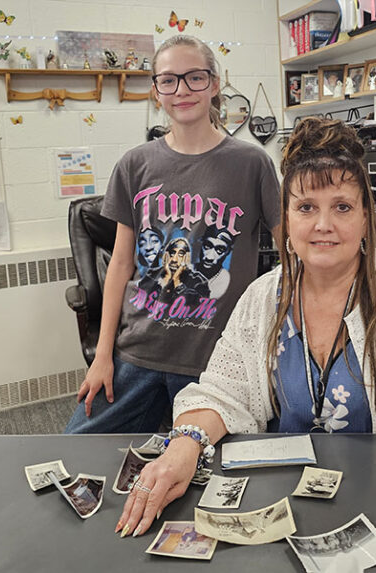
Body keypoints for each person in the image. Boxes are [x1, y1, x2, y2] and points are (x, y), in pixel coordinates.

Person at [116, 118, 376, 573]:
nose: (324, 226)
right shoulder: (262, 298)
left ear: (366, 216)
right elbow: (220, 392)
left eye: (342, 207)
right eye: (307, 208)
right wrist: (185, 445)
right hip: (288, 512)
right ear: (286, 221)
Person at [64, 35, 280, 434]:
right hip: (138, 352)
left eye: (195, 77)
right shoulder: (134, 165)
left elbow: (291, 255)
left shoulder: (253, 164)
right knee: (73, 452)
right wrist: (103, 356)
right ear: (155, 91)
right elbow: (121, 264)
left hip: (217, 360)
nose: (181, 90)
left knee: (214, 476)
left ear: (215, 84)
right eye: (168, 80)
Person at [196, 225, 234, 298]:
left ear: (228, 252)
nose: (209, 257)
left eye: (219, 250)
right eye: (207, 246)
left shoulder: (224, 279)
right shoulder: (188, 269)